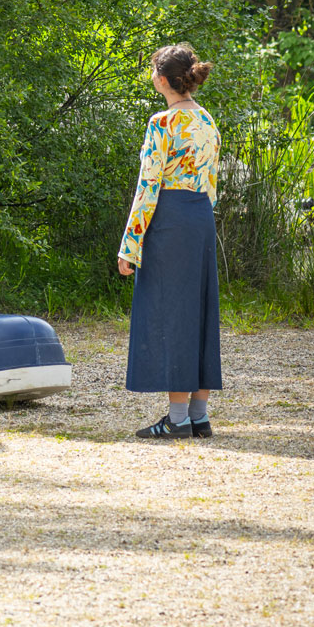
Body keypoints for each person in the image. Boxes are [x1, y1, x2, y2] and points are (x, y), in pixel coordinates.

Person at [117, 43, 222, 441]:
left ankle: (177, 420)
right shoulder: (208, 121)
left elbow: (148, 186)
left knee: (173, 314)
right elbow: (211, 180)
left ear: (162, 80)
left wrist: (130, 243)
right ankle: (198, 414)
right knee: (199, 310)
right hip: (200, 217)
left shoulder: (162, 122)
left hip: (170, 219)